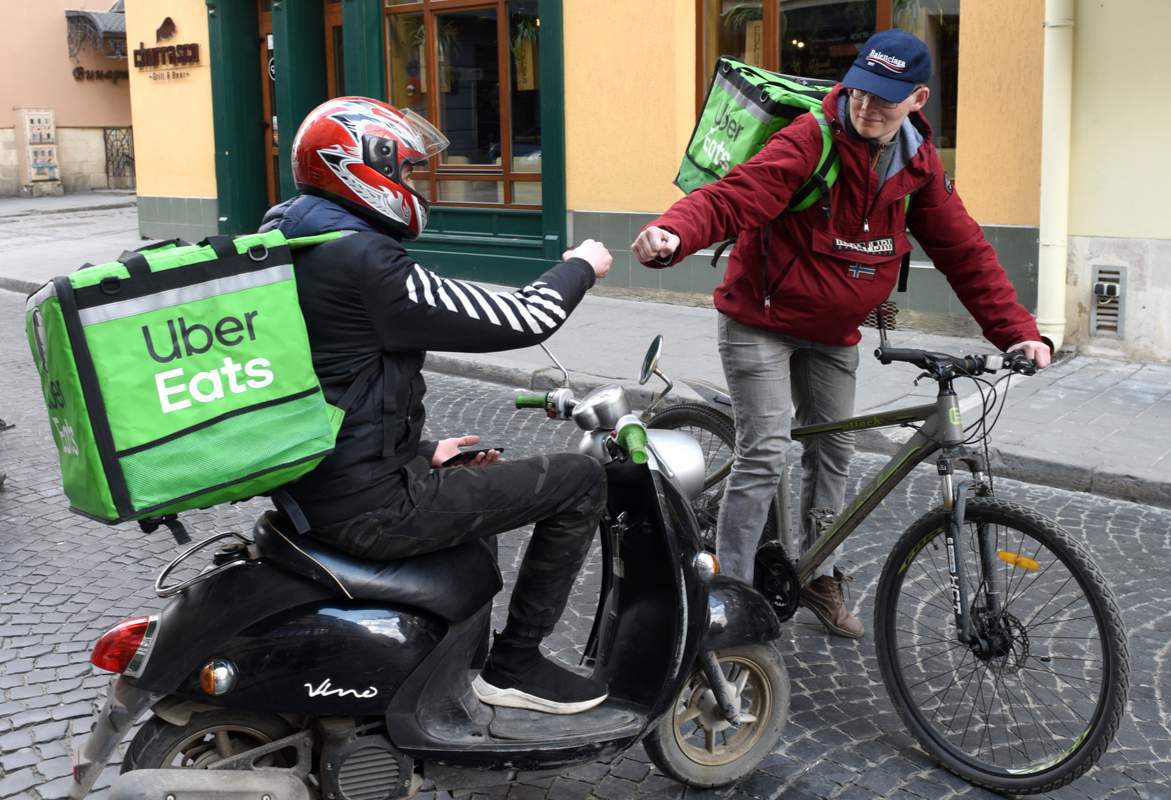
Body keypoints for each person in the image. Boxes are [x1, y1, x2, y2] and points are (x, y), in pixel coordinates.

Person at [632, 30, 1051, 639]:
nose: (866, 106)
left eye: (885, 98)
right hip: (761, 322)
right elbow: (734, 197)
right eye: (860, 90)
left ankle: (818, 575)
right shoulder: (810, 138)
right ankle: (731, 602)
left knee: (834, 454)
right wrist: (672, 234)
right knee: (768, 450)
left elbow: (966, 252)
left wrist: (1018, 331)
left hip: (834, 332)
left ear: (918, 100)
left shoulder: (917, 167)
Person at [261, 97, 613, 714]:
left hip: (317, 483)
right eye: (407, 171)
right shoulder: (364, 261)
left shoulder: (289, 238)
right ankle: (517, 663)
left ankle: (450, 665)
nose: (414, 185)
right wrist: (580, 265)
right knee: (581, 479)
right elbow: (525, 316)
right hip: (369, 507)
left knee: (472, 484)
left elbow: (332, 379)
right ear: (364, 168)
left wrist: (424, 452)